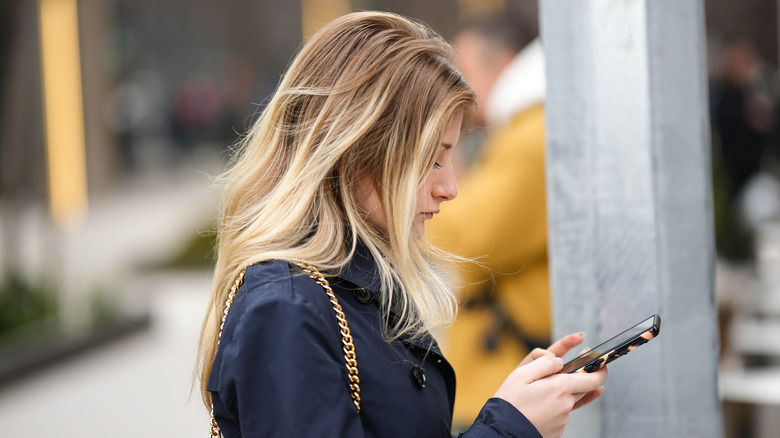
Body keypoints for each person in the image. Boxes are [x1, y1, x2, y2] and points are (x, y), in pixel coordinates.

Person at [195, 11, 606, 437]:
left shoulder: (348, 287)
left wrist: (511, 406)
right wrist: (509, 426)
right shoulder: (287, 309)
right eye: (432, 158)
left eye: (452, 157)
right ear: (358, 148)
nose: (450, 187)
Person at [426, 17, 550, 425]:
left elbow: (468, 240)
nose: (456, 85)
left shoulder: (531, 138)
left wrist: (434, 182)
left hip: (503, 374)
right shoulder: (527, 130)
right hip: (507, 367)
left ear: (505, 63)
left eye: (465, 69)